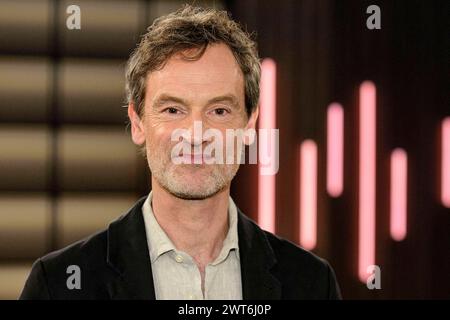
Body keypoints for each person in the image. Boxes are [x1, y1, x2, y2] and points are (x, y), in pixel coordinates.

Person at [20, 5, 341, 300]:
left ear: (250, 124)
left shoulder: (311, 283)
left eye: (219, 111)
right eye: (173, 110)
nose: (196, 135)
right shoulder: (59, 285)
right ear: (137, 123)